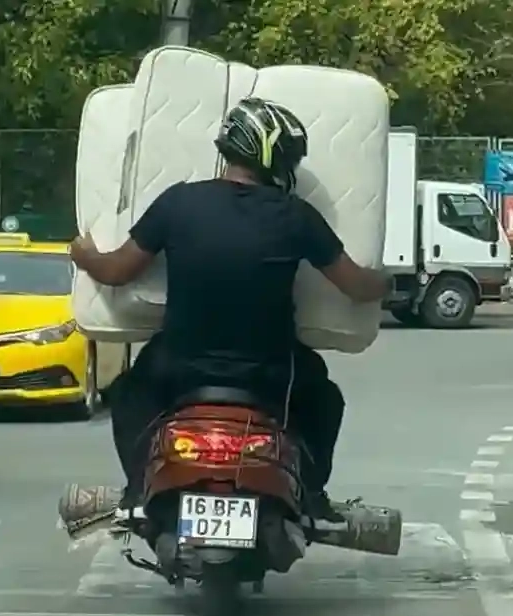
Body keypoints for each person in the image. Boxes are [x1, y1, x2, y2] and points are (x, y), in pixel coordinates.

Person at [70, 97, 390, 524]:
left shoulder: (178, 203)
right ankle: (312, 495)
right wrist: (386, 281)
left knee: (128, 394)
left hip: (178, 368)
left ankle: (136, 492)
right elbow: (357, 286)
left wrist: (83, 254)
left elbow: (115, 272)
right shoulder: (296, 216)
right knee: (325, 401)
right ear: (276, 159)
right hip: (271, 373)